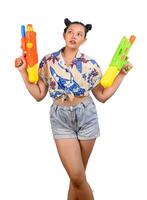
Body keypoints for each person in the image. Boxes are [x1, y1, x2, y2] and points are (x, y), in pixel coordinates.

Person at [15, 18, 132, 200]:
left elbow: (101, 96)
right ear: (64, 34)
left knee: (77, 177)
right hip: (60, 118)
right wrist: (22, 71)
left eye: (79, 34)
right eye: (70, 32)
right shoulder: (48, 61)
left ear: (84, 40)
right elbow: (38, 94)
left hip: (86, 116)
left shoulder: (89, 64)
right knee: (77, 176)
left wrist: (122, 74)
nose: (74, 36)